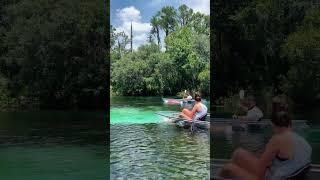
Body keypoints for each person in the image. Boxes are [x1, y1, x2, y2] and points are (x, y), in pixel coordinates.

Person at [218, 111, 312, 180]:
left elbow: (260, 171)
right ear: (290, 124)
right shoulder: (303, 141)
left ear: (273, 125)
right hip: (287, 174)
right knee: (238, 153)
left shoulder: (277, 139)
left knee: (228, 168)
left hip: (278, 177)